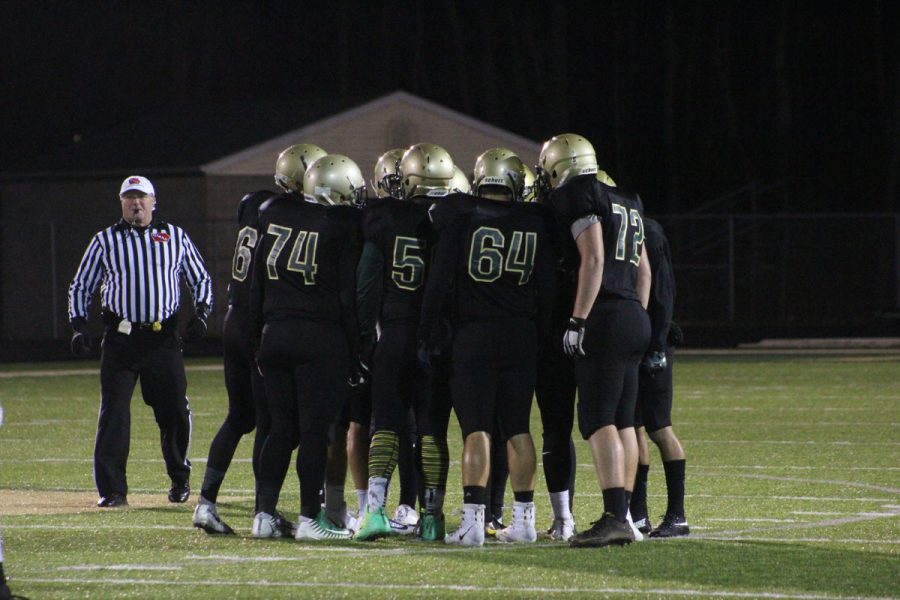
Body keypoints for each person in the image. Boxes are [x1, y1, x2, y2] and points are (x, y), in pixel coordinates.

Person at [419, 148, 556, 547]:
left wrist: (427, 332)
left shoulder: (461, 216)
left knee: (475, 429)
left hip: (474, 335)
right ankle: (525, 520)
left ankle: (473, 523)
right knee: (518, 427)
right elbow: (547, 289)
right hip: (521, 335)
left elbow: (439, 281)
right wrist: (543, 337)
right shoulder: (535, 221)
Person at [193, 144, 327, 535]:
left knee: (240, 417)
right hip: (255, 321)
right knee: (270, 422)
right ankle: (262, 513)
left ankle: (206, 503)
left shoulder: (255, 205)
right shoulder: (284, 213)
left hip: (234, 317)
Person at [68, 175, 213, 508]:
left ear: (153, 201)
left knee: (174, 409)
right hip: (120, 341)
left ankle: (179, 477)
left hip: (162, 338)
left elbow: (200, 278)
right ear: (122, 202)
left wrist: (202, 314)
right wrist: (78, 324)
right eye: (129, 197)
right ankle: (113, 491)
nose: (136, 203)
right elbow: (81, 285)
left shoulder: (175, 236)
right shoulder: (105, 240)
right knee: (114, 414)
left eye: (141, 197)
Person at [541, 133, 652, 548]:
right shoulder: (629, 199)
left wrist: (579, 318)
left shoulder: (578, 194)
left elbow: (595, 257)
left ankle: (613, 517)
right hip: (633, 315)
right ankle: (623, 515)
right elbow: (643, 268)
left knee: (597, 420)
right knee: (624, 420)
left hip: (603, 316)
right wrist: (636, 313)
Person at [250, 154, 363, 541]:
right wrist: (357, 348)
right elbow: (348, 298)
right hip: (320, 339)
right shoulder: (342, 225)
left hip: (275, 334)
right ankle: (310, 519)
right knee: (315, 432)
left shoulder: (275, 212)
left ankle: (263, 515)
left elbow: (256, 285)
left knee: (281, 430)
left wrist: (257, 335)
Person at [353, 144, 453, 542]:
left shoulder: (384, 218)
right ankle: (432, 518)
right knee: (431, 430)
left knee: (386, 426)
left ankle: (374, 512)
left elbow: (366, 287)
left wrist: (364, 338)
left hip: (393, 333)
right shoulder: (452, 219)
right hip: (439, 339)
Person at [629, 217, 690, 538]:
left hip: (655, 340)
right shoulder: (635, 227)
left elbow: (663, 294)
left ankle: (677, 516)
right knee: (635, 424)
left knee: (659, 427)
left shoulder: (648, 233)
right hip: (638, 340)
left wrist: (656, 345)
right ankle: (639, 515)